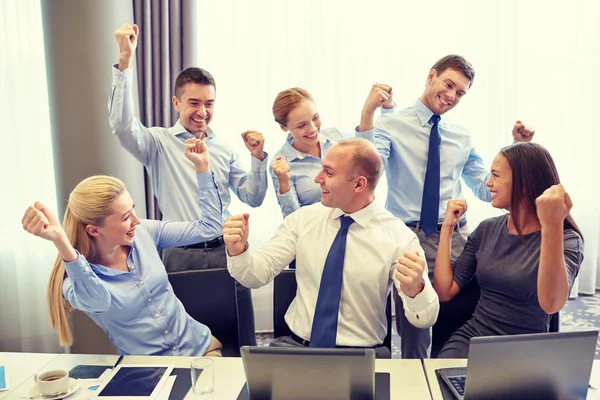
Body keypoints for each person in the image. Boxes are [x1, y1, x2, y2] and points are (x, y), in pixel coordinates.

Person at [356, 54, 535, 358]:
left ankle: (453, 376)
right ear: (431, 76)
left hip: (453, 236)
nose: (452, 96)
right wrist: (368, 113)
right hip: (406, 236)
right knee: (415, 323)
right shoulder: (391, 124)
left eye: (461, 93)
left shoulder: (461, 136)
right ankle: (416, 378)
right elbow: (367, 170)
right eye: (449, 84)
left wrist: (520, 148)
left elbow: (483, 186)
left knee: (461, 312)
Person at [109, 23, 268, 346]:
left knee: (240, 339)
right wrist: (125, 62)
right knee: (189, 342)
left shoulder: (223, 146)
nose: (203, 111)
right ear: (176, 103)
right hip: (180, 255)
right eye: (194, 103)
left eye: (209, 103)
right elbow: (122, 125)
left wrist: (258, 158)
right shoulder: (157, 142)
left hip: (227, 251)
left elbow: (253, 197)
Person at [224, 138, 440, 358]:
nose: (317, 179)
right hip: (297, 351)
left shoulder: (399, 238)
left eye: (328, 172)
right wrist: (238, 252)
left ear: (359, 184)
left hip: (361, 358)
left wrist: (417, 290)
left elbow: (425, 317)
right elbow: (255, 276)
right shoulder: (303, 220)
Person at [22, 139, 226, 356]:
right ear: (93, 230)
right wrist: (60, 241)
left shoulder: (144, 232)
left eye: (133, 210)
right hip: (149, 374)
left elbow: (210, 228)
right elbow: (98, 301)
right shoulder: (74, 283)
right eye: (126, 217)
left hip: (200, 350)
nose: (137, 221)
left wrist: (202, 168)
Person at [433, 142, 583, 358]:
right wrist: (447, 227)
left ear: (523, 184)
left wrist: (552, 225)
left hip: (526, 350)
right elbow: (444, 291)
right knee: (442, 384)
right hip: (473, 340)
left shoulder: (567, 239)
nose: (488, 183)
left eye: (495, 175)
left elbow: (551, 305)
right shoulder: (487, 229)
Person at [270, 85, 394, 218]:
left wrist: (370, 112)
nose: (312, 129)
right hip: (319, 234)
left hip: (360, 225)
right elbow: (292, 221)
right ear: (284, 127)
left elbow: (371, 166)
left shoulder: (337, 137)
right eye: (302, 125)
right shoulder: (282, 164)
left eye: (315, 118)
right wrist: (284, 183)